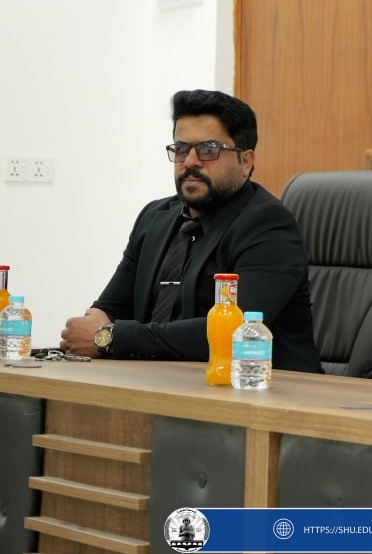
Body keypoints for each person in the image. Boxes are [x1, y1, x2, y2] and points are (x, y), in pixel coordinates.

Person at [59, 89, 322, 372]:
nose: (191, 161)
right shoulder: (155, 217)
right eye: (181, 149)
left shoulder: (268, 225)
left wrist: (111, 338)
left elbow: (235, 332)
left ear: (245, 161)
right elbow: (109, 309)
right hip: (161, 381)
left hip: (259, 386)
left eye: (209, 150)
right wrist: (96, 327)